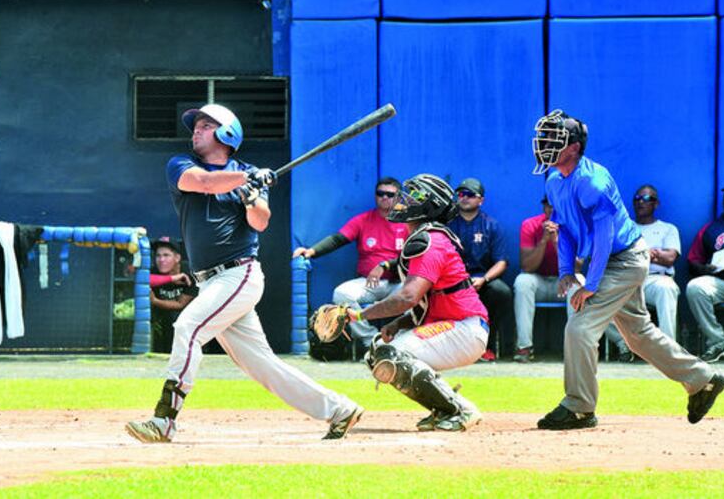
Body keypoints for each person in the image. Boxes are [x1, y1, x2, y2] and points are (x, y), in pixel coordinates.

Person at [125, 104, 362, 443]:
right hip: (210, 282)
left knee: (188, 327)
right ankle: (339, 409)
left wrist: (252, 195)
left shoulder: (248, 173)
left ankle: (164, 419)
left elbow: (260, 221)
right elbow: (202, 182)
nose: (196, 130)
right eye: (197, 125)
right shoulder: (182, 164)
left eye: (206, 125)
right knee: (262, 365)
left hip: (238, 275)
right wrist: (245, 179)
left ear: (227, 134)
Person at [530, 109, 724, 430]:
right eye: (545, 137)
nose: (544, 143)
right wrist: (565, 270)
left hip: (624, 260)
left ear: (574, 148)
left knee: (580, 328)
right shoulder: (554, 181)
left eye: (554, 138)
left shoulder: (592, 181)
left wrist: (591, 285)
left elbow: (605, 238)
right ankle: (703, 380)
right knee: (639, 335)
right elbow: (563, 228)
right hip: (613, 260)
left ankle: (579, 407)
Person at [339, 174, 488, 432]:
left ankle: (461, 410)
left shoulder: (430, 241)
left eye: (413, 197)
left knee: (391, 354)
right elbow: (428, 302)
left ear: (429, 205)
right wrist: (399, 324)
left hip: (465, 328)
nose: (403, 201)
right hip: (452, 325)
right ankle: (443, 409)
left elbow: (407, 297)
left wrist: (359, 315)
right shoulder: (425, 237)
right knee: (377, 354)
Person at [292, 177, 408, 347]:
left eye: (390, 194)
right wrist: (311, 251)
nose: (384, 197)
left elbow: (412, 256)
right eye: (380, 193)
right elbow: (338, 239)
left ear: (398, 197)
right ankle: (372, 341)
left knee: (418, 295)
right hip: (369, 283)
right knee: (341, 294)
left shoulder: (407, 223)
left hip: (399, 282)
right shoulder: (364, 220)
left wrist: (385, 265)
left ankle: (403, 343)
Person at [605, 185, 682, 362]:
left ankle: (668, 351)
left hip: (655, 279)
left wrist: (638, 254)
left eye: (647, 199)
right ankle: (624, 344)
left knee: (667, 288)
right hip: (627, 278)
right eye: (637, 199)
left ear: (656, 204)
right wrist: (651, 253)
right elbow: (613, 257)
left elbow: (670, 258)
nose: (641, 202)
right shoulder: (625, 228)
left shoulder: (668, 229)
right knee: (600, 293)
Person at [447, 177, 511, 361]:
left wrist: (484, 279)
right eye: (461, 194)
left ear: (481, 200)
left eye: (470, 194)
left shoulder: (491, 225)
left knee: (501, 292)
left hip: (482, 280)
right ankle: (448, 347)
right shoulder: (448, 225)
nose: (464, 198)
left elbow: (501, 262)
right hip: (454, 280)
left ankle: (487, 346)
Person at [685, 177, 724, 363]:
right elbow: (693, 260)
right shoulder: (711, 228)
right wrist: (704, 269)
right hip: (720, 281)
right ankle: (718, 342)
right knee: (695, 287)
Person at [512, 195, 568, 363]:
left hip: (563, 283)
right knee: (522, 282)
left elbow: (576, 267)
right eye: (548, 205)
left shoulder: (575, 224)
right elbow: (527, 267)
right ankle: (524, 347)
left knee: (579, 281)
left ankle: (576, 348)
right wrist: (544, 240)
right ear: (544, 208)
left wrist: (556, 241)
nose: (552, 209)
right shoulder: (530, 225)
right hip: (538, 282)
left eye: (556, 205)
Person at [149, 237, 197, 353]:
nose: (161, 260)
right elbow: (142, 278)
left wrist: (155, 301)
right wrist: (171, 278)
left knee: (175, 317)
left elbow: (180, 304)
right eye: (158, 256)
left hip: (189, 322)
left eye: (166, 255)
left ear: (177, 258)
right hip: (162, 322)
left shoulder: (190, 272)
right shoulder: (154, 271)